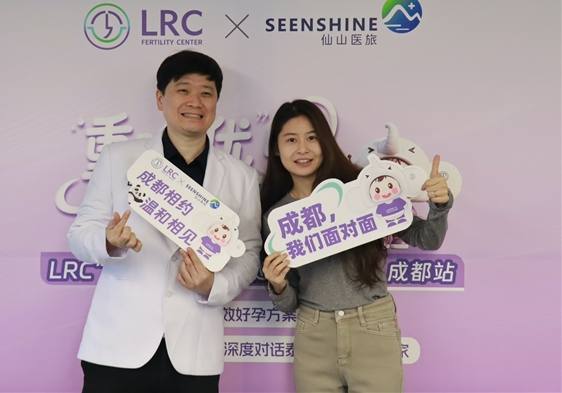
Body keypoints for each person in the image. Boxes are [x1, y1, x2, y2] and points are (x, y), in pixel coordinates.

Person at [68, 50, 262, 393]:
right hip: (118, 345)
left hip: (194, 349)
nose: (195, 102)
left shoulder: (240, 176)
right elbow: (80, 234)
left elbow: (248, 252)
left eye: (206, 92)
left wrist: (213, 285)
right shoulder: (118, 158)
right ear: (160, 99)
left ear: (216, 102)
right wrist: (109, 241)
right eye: (183, 90)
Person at [261, 99, 453, 393]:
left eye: (312, 138)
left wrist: (439, 205)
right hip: (314, 335)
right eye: (291, 140)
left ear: (325, 142)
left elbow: (428, 239)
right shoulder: (278, 218)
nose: (302, 148)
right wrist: (277, 286)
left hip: (372, 326)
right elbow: (289, 303)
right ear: (276, 148)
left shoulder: (363, 188)